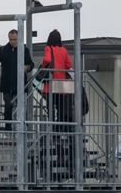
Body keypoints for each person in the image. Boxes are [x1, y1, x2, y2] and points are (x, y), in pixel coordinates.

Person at [40, 31, 75, 175]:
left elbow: (47, 60)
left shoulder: (49, 48)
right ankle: (57, 129)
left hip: (50, 85)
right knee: (60, 112)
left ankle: (52, 131)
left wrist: (43, 67)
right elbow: (68, 65)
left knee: (50, 111)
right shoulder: (64, 50)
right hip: (61, 84)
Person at [0, 29, 33, 123]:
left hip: (19, 85)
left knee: (20, 106)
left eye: (14, 39)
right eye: (10, 39)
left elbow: (31, 64)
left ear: (18, 38)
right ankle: (8, 127)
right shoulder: (3, 50)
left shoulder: (24, 50)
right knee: (8, 105)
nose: (12, 41)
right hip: (7, 84)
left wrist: (27, 67)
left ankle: (22, 127)